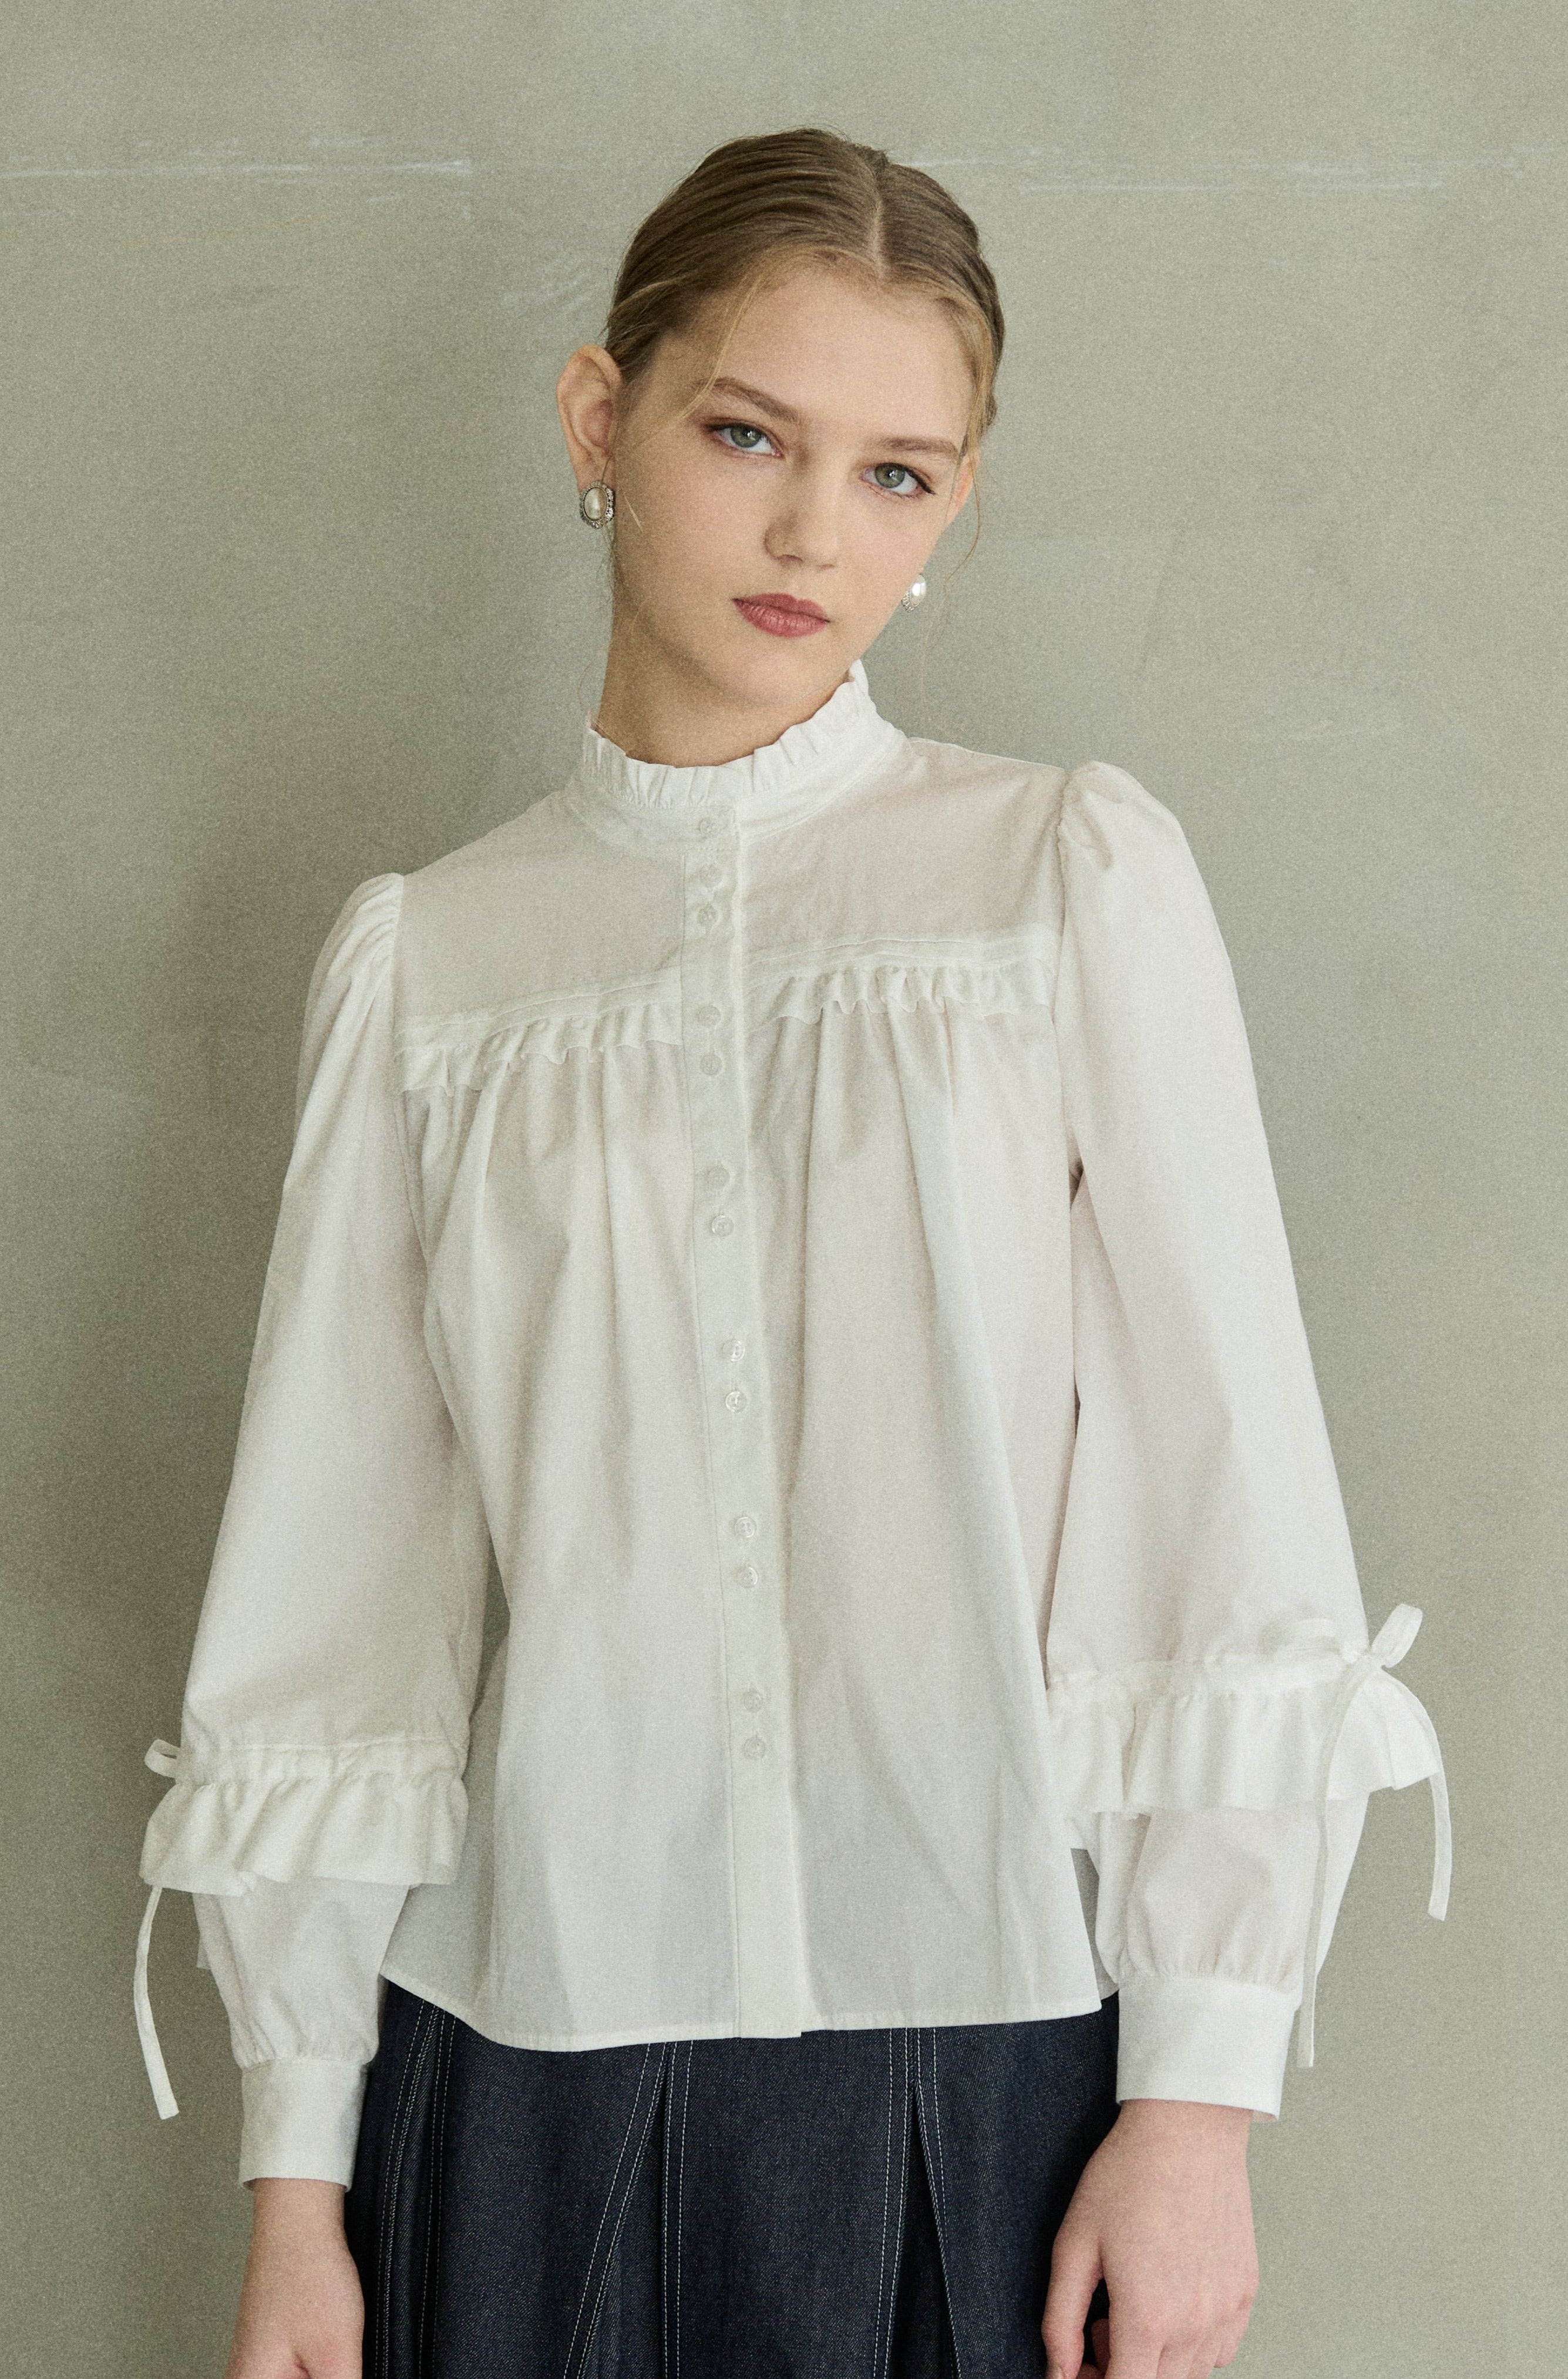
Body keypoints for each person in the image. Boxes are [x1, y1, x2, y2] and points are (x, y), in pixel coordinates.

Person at [132, 126, 1451, 2379]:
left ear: (952, 509)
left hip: (994, 2063)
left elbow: (1218, 1489)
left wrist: (1198, 2102)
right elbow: (336, 1593)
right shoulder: (434, 967)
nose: (816, 531)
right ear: (599, 419)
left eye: (896, 473)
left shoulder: (1058, 888)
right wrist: (295, 2189)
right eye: (748, 435)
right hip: (520, 2074)